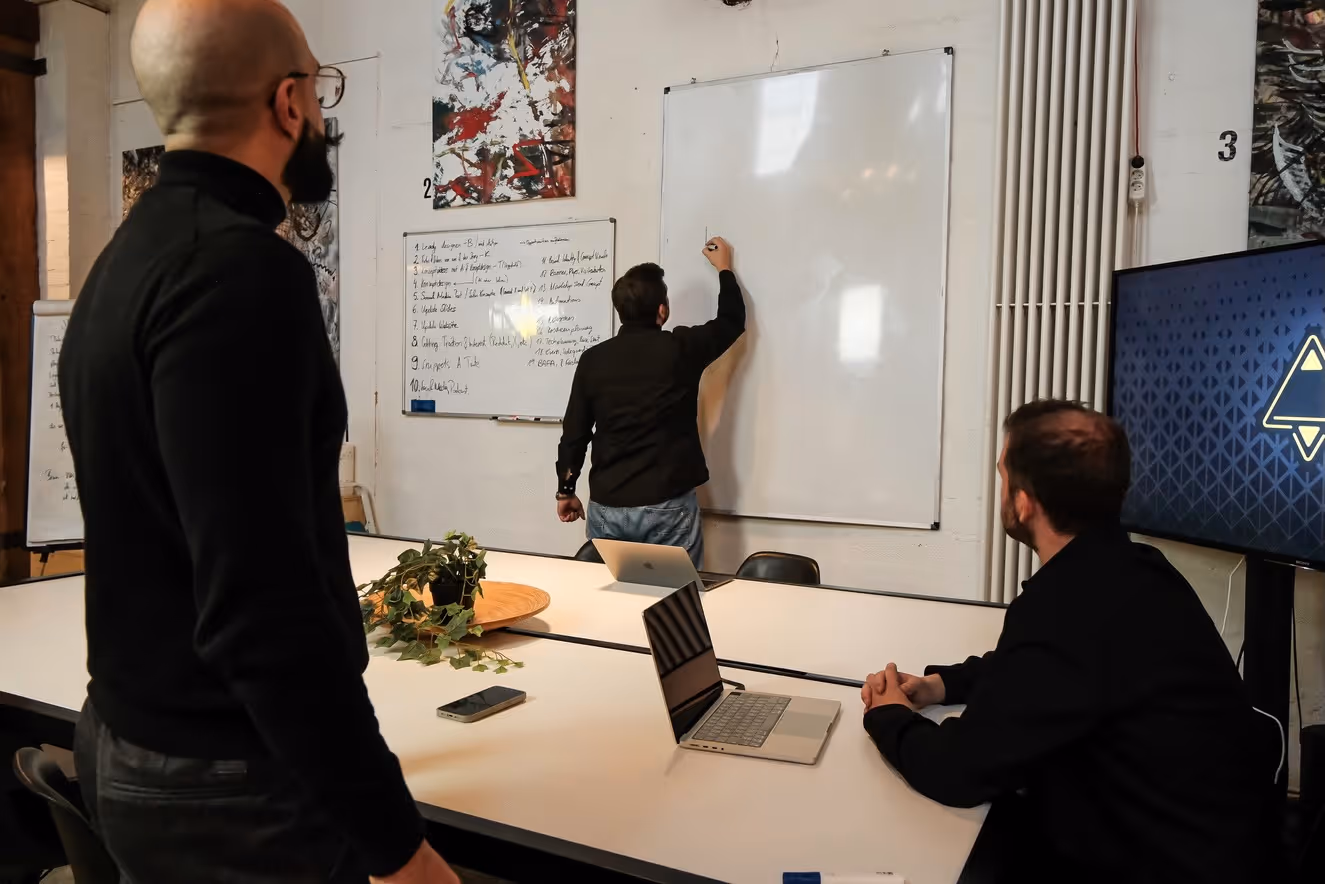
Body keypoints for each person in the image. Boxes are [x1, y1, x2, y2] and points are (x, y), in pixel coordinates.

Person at [59, 1, 457, 882]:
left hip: (135, 738)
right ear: (289, 103)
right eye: (321, 88)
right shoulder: (239, 272)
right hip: (226, 787)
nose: (323, 113)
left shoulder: (123, 264)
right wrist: (399, 848)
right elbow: (262, 607)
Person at [860, 400, 1264, 883]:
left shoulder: (1065, 609)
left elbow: (962, 771)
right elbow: (1038, 671)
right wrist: (941, 684)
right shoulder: (1137, 569)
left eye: (1003, 475)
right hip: (1215, 845)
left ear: (1025, 502)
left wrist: (890, 718)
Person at [554, 239, 746, 567]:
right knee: (675, 601)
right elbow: (731, 321)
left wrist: (566, 490)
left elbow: (575, 432)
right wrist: (725, 268)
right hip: (667, 505)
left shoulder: (593, 360)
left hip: (607, 507)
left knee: (609, 602)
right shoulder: (681, 348)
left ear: (620, 311)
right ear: (662, 310)